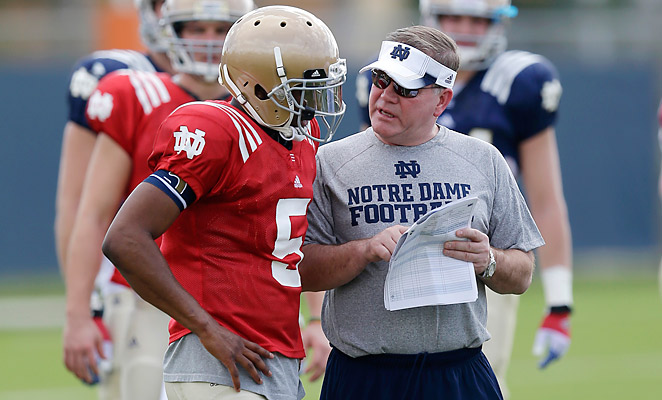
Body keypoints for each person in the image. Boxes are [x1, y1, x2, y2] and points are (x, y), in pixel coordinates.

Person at [101, 5, 346, 399]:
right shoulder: (215, 130)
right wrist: (206, 327)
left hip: (275, 355)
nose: (315, 100)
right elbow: (125, 237)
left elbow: (295, 251)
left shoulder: (302, 134)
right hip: (218, 364)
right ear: (259, 85)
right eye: (303, 87)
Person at [299, 25, 544, 400]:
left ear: (441, 101)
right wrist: (364, 250)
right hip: (363, 376)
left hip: (457, 374)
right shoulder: (330, 161)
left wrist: (488, 259)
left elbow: (523, 273)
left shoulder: (483, 160)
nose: (385, 96)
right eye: (381, 80)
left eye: (406, 88)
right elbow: (302, 269)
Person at [354, 0, 574, 395]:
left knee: (479, 373)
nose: (464, 28)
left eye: (477, 18)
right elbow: (356, 176)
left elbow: (545, 198)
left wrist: (559, 301)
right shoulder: (384, 72)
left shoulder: (519, 81)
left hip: (474, 265)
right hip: (388, 261)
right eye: (452, 17)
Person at [62, 0, 253, 398]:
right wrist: (78, 313)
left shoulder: (262, 107)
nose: (208, 41)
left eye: (220, 30)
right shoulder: (134, 93)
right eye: (195, 29)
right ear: (171, 31)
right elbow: (94, 214)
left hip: (233, 298)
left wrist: (315, 318)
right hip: (143, 294)